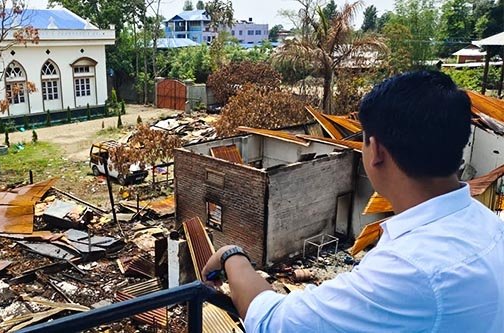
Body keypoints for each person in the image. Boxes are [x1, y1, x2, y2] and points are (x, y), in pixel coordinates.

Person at [201, 70, 504, 332]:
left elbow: (272, 322)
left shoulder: (410, 270)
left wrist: (232, 254)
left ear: (375, 150)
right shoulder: (491, 227)